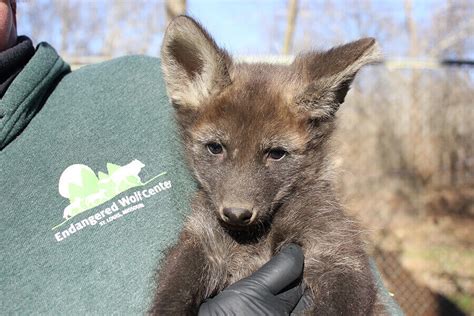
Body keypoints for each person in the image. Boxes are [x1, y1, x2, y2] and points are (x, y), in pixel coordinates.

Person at [1, 1, 401, 314]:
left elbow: (348, 276)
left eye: (276, 153)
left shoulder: (129, 86)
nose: (237, 202)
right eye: (215, 149)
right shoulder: (198, 111)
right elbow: (203, 253)